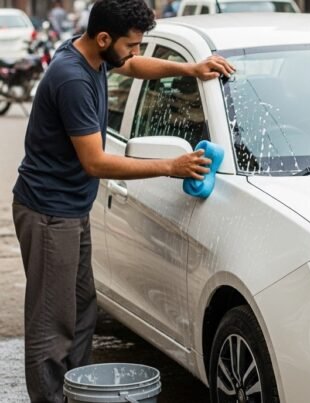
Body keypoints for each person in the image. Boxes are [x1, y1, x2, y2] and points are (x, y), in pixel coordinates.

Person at [11, 0, 235, 401]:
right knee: (52, 324)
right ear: (103, 38)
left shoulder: (93, 55)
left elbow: (132, 68)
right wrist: (171, 166)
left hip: (71, 209)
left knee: (82, 312)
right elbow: (95, 162)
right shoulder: (72, 78)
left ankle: (77, 392)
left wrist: (189, 70)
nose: (135, 53)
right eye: (131, 45)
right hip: (48, 213)